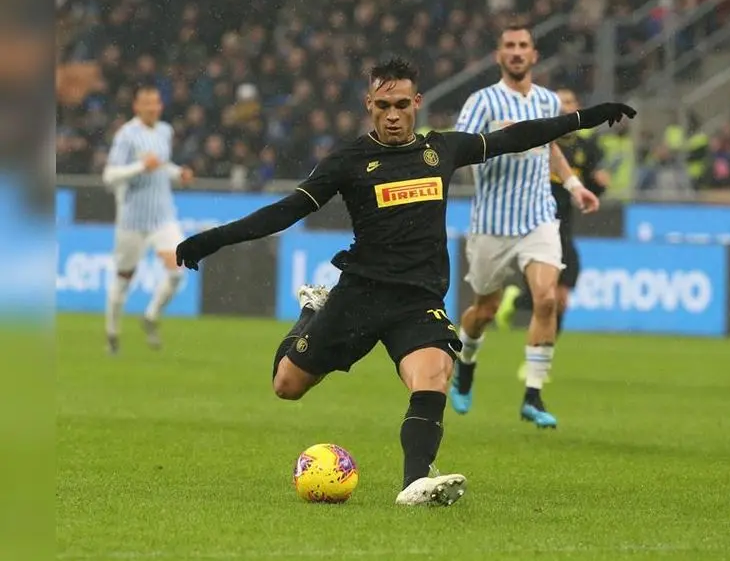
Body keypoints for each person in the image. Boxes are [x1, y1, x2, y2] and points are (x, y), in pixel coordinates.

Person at [173, 58, 635, 506]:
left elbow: (516, 137)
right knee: (286, 386)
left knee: (434, 375)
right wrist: (210, 241)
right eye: (382, 106)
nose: (392, 116)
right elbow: (283, 212)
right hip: (359, 295)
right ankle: (311, 311)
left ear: (416, 103)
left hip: (417, 299)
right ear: (368, 105)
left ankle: (416, 483)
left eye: (400, 105)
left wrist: (586, 117)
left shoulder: (440, 150)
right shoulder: (348, 161)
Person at [449, 26, 601, 429]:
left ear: (534, 55)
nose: (516, 52)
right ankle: (466, 364)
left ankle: (533, 395)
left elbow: (551, 147)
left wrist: (574, 185)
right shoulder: (482, 101)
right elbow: (458, 148)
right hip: (492, 223)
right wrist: (494, 147)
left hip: (538, 217)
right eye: (509, 46)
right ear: (499, 55)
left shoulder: (549, 100)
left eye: (523, 46)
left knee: (547, 299)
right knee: (485, 310)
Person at [494, 87, 608, 341]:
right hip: (537, 221)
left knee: (562, 298)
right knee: (546, 294)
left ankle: (544, 353)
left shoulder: (586, 147)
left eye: (571, 101)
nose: (566, 106)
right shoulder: (540, 137)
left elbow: (589, 188)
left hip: (564, 225)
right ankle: (517, 303)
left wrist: (599, 185)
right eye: (561, 102)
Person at [102, 84, 194, 355]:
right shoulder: (126, 136)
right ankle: (112, 333)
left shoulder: (165, 131)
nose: (153, 108)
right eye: (147, 104)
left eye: (156, 103)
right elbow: (108, 177)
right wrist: (141, 166)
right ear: (137, 107)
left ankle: (151, 316)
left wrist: (179, 174)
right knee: (123, 280)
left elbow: (162, 166)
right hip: (132, 220)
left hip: (163, 217)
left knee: (177, 271)